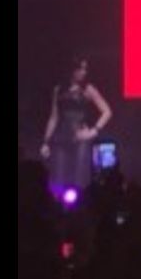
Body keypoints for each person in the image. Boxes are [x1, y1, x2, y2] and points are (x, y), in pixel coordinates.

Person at [39, 56, 112, 187]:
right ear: (72, 69)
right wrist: (45, 142)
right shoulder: (58, 89)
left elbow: (107, 111)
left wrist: (94, 131)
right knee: (58, 181)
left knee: (79, 181)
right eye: (80, 68)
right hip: (60, 139)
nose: (84, 72)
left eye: (85, 69)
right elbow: (54, 117)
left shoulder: (88, 89)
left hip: (80, 140)